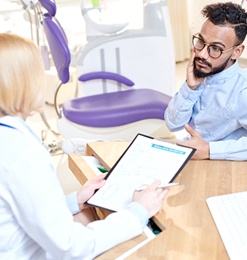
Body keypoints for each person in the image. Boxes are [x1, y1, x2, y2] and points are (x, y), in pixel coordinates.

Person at [0, 33, 169, 259]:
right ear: (18, 82)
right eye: (37, 72)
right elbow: (71, 247)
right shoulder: (23, 153)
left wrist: (73, 201)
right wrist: (138, 211)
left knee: (90, 214)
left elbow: (21, 209)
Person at [165, 2, 247, 161]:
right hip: (193, 157)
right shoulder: (202, 74)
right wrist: (189, 88)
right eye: (201, 42)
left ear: (237, 51)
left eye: (215, 48)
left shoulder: (246, 92)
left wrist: (210, 150)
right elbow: (173, 124)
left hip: (222, 167)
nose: (202, 54)